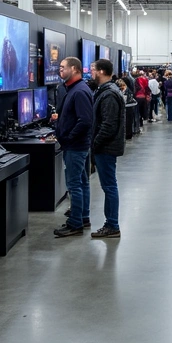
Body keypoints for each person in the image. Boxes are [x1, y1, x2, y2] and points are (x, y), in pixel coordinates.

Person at [53, 57, 94, 237]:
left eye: (63, 67)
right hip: (77, 145)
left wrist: (68, 137)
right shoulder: (74, 89)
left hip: (76, 146)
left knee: (74, 184)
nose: (60, 70)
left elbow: (85, 121)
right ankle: (83, 217)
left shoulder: (79, 91)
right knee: (82, 182)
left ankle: (75, 223)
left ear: (75, 69)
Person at [90, 59, 124, 238]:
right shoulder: (105, 91)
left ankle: (112, 225)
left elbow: (109, 125)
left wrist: (95, 143)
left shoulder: (109, 94)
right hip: (105, 146)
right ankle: (111, 223)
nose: (90, 72)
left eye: (93, 69)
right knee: (109, 185)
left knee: (109, 186)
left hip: (106, 148)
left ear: (101, 71)